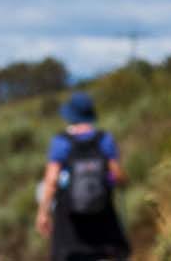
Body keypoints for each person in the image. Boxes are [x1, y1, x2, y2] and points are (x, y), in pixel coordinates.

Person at [35, 92, 131, 260]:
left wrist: (43, 213)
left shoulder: (61, 142)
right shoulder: (104, 139)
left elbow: (51, 181)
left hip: (69, 224)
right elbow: (117, 175)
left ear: (70, 115)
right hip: (102, 218)